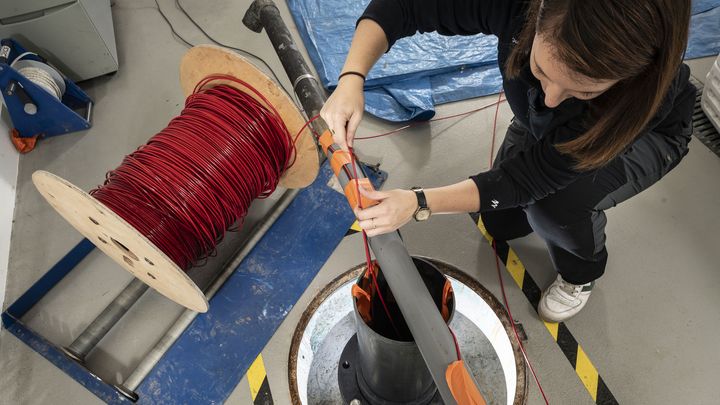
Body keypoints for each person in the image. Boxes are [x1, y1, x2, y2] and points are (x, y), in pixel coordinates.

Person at [320, 0, 696, 322]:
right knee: (500, 223)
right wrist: (352, 78)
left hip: (641, 138)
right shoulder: (519, 5)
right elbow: (404, 5)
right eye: (542, 71)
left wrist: (418, 201)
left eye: (583, 90)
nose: (550, 98)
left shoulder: (640, 93)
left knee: (552, 207)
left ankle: (582, 271)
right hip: (555, 133)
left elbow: (525, 181)